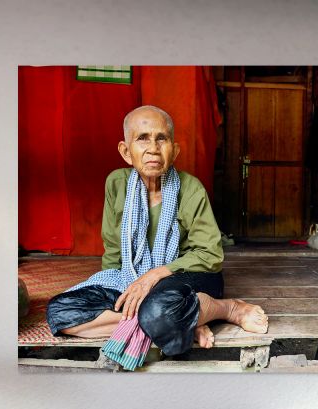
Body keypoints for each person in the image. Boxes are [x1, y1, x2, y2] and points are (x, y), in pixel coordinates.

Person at [46, 105, 267, 366]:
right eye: (142, 138)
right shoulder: (116, 184)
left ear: (174, 150)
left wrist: (154, 275)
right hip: (133, 277)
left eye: (161, 138)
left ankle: (226, 308)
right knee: (60, 311)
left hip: (188, 278)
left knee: (160, 308)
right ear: (126, 152)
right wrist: (121, 290)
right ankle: (187, 319)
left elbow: (210, 256)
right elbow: (114, 253)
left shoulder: (190, 188)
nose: (153, 148)